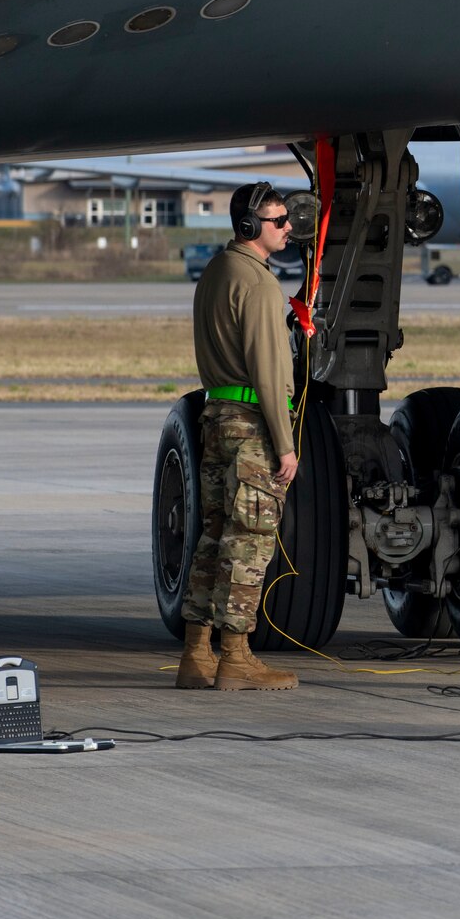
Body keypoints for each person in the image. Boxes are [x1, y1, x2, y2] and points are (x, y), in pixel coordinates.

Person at [176, 181, 302, 691]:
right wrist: (286, 443)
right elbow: (271, 372)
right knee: (249, 543)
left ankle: (195, 653)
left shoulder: (217, 271)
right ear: (251, 227)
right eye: (279, 221)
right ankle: (236, 657)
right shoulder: (258, 284)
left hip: (216, 417)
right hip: (251, 424)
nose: (289, 227)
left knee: (212, 537)